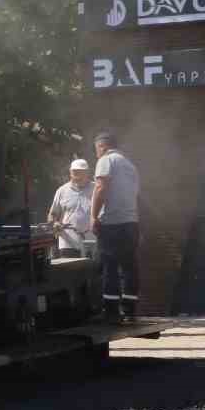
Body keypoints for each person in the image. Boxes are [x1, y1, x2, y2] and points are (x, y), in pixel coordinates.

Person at [89, 131, 140, 323]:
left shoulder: (106, 160)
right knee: (129, 266)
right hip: (131, 223)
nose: (96, 154)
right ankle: (130, 311)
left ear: (102, 146)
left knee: (109, 265)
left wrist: (93, 216)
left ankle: (111, 312)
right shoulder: (130, 165)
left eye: (96, 150)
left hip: (112, 224)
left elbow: (101, 187)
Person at [49, 159, 95, 259]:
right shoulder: (62, 191)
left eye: (81, 172)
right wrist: (55, 223)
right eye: (75, 172)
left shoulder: (96, 189)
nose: (78, 176)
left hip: (91, 241)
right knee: (69, 272)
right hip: (67, 242)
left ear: (87, 173)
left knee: (92, 272)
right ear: (70, 173)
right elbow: (52, 215)